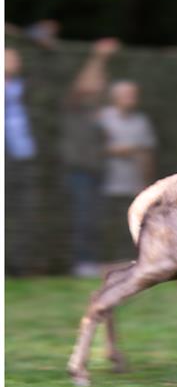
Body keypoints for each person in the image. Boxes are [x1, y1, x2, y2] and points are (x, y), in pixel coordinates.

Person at [63, 38, 115, 277]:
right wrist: (98, 57)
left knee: (94, 219)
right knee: (83, 219)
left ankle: (91, 262)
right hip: (80, 170)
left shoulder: (101, 114)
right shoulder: (75, 106)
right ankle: (81, 263)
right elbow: (83, 85)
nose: (99, 85)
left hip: (98, 170)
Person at [99, 79, 157, 266]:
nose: (132, 98)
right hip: (105, 182)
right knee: (107, 225)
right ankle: (106, 261)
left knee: (134, 224)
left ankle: (131, 261)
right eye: (127, 94)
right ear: (114, 97)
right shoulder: (102, 118)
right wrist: (113, 150)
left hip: (133, 183)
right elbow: (90, 147)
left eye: (134, 94)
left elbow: (147, 152)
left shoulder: (141, 121)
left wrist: (147, 182)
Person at [5, 48, 39, 275]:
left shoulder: (25, 87)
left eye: (18, 58)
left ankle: (18, 265)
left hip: (22, 154)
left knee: (21, 212)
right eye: (11, 58)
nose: (17, 62)